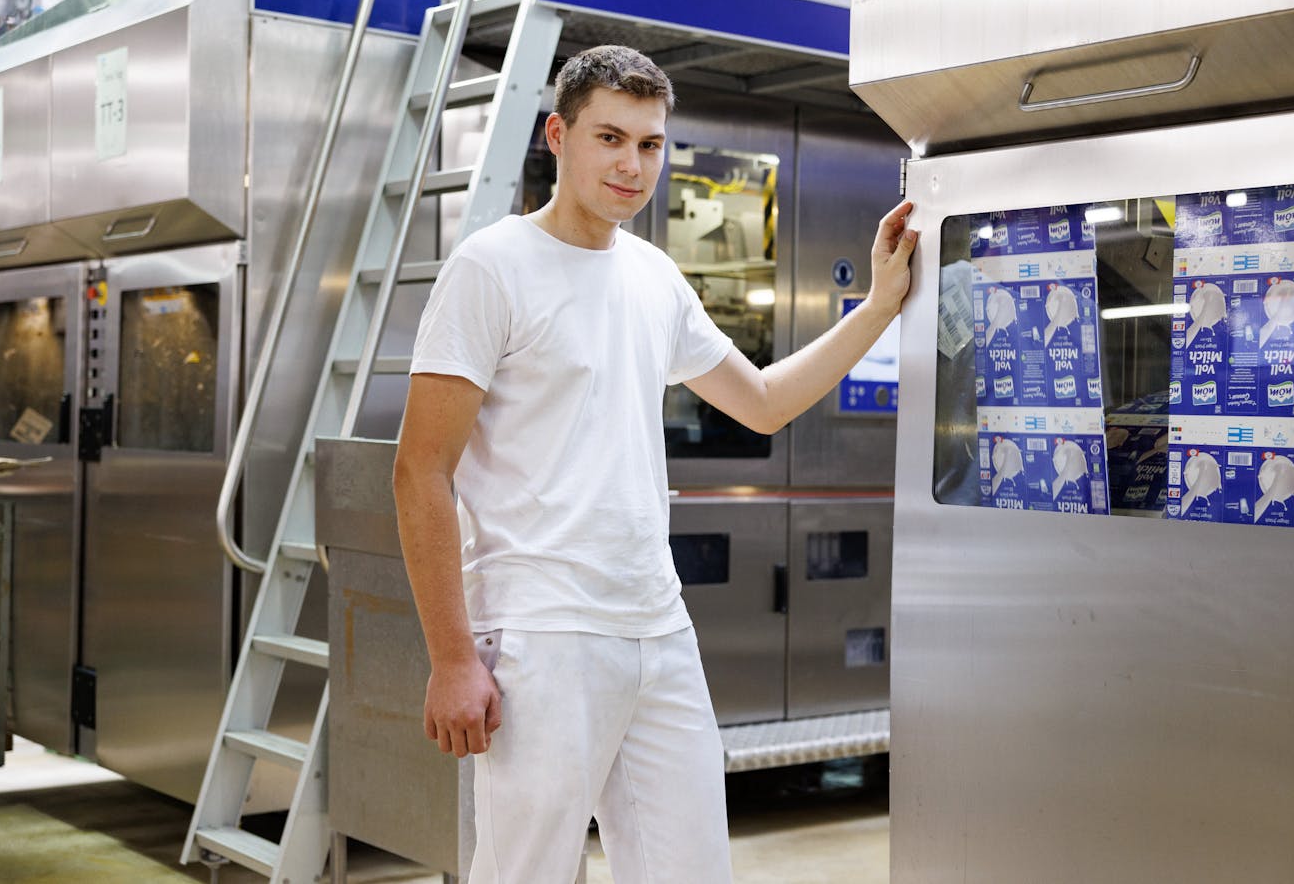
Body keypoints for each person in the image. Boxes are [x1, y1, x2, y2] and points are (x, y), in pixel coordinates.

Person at [393, 44, 917, 884]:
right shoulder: (491, 268)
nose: (633, 165)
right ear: (558, 136)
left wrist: (881, 308)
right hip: (543, 631)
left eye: (650, 143)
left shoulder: (653, 275)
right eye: (610, 138)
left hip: (658, 627)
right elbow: (420, 469)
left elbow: (763, 401)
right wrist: (454, 658)